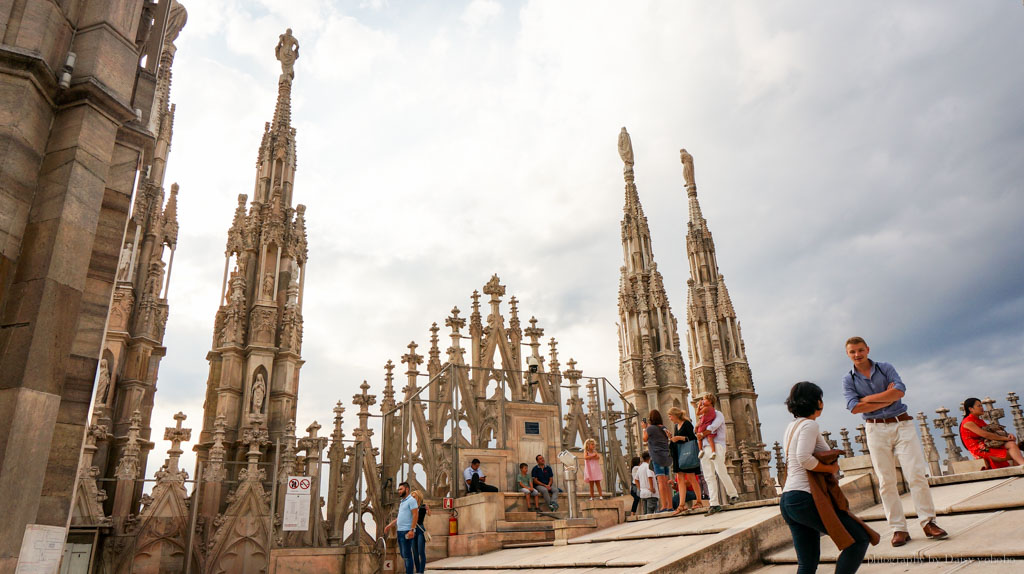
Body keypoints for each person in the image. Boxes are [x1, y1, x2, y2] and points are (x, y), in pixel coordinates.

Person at [842, 336, 947, 546]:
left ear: (867, 349)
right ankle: (899, 528)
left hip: (902, 425)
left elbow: (900, 391)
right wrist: (887, 396)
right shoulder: (849, 379)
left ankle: (928, 522)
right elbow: (854, 407)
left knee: (916, 474)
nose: (857, 355)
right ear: (848, 354)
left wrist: (868, 399)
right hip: (874, 429)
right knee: (885, 481)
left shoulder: (885, 367)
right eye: (853, 352)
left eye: (860, 350)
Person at [782, 382, 871, 574]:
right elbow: (804, 458)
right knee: (858, 539)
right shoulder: (809, 425)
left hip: (789, 500)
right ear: (817, 402)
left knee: (807, 563)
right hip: (804, 497)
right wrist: (829, 468)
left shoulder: (792, 426)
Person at [694, 394, 740, 515]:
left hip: (717, 445)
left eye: (704, 399)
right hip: (704, 447)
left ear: (710, 401)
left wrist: (701, 434)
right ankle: (714, 503)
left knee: (721, 471)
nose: (702, 401)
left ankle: (733, 495)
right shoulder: (702, 416)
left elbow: (713, 427)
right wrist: (698, 431)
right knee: (708, 476)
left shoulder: (718, 414)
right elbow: (698, 429)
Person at [960, 397, 1024, 468]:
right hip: (980, 450)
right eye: (979, 406)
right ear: (970, 409)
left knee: (1012, 445)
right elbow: (986, 435)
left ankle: (1021, 466)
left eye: (981, 405)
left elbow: (994, 432)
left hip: (988, 445)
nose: (982, 408)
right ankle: (1021, 466)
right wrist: (1005, 439)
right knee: (1014, 453)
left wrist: (1009, 435)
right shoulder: (968, 422)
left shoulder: (979, 420)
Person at [667, 406, 705, 515]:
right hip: (679, 455)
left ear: (675, 415)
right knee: (680, 479)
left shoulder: (687, 424)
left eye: (670, 416)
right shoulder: (676, 426)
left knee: (692, 478)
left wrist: (679, 438)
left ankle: (699, 501)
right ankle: (681, 505)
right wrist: (672, 438)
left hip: (687, 454)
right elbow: (677, 441)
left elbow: (692, 439)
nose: (669, 418)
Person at [384, 481, 419, 574]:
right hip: (400, 531)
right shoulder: (403, 502)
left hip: (407, 531)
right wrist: (390, 525)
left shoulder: (411, 500)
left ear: (407, 489)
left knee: (407, 555)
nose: (399, 491)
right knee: (404, 555)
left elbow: (415, 515)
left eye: (401, 489)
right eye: (398, 489)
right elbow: (400, 517)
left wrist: (412, 530)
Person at [643, 409, 674, 512]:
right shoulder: (663, 428)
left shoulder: (650, 428)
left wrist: (644, 428)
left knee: (661, 482)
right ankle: (670, 505)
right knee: (666, 481)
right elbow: (669, 435)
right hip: (666, 456)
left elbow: (644, 439)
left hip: (657, 456)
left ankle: (664, 506)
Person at [410, 490, 430, 574]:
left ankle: (421, 571)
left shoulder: (423, 506)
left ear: (418, 497)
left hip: (420, 529)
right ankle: (418, 570)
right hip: (413, 529)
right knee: (415, 552)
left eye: (414, 496)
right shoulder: (410, 507)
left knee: (421, 551)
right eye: (412, 497)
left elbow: (429, 514)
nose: (413, 498)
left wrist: (428, 509)